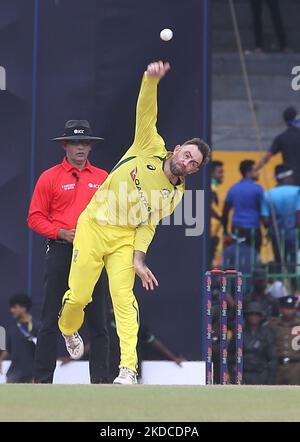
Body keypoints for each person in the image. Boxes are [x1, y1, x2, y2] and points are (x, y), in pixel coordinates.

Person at [57, 61, 211, 384]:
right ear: (178, 149)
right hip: (94, 226)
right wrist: (150, 81)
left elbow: (148, 224)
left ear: (195, 170)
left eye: (194, 164)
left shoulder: (175, 195)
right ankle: (68, 330)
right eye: (187, 155)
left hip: (124, 240)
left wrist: (139, 258)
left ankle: (128, 369)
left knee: (125, 300)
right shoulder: (149, 147)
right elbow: (146, 112)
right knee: (79, 298)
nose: (187, 162)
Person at [27, 120, 110, 384]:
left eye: (85, 142)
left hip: (93, 254)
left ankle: (100, 383)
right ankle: (42, 381)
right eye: (76, 142)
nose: (81, 148)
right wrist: (60, 232)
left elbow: (112, 215)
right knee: (49, 317)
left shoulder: (102, 178)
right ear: (65, 145)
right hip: (62, 250)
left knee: (98, 320)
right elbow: (34, 217)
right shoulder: (49, 177)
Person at [261, 164, 300, 269]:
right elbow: (298, 214)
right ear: (285, 177)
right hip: (293, 234)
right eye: (291, 176)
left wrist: (272, 228)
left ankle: (279, 283)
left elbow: (265, 220)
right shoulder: (297, 191)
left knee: (278, 261)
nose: (292, 179)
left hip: (277, 234)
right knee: (293, 261)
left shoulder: (267, 194)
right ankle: (293, 284)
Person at [222, 160, 263, 252]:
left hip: (237, 229)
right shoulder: (258, 189)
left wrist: (225, 230)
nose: (258, 173)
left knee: (238, 256)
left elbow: (225, 211)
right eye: (255, 170)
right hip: (253, 228)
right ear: (248, 173)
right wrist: (267, 227)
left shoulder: (233, 189)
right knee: (254, 256)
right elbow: (263, 211)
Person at [255, 107, 300, 185]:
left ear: (285, 121)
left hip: (290, 179)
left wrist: (255, 169)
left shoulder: (281, 138)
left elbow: (267, 157)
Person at [0, 294, 39, 383]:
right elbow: (7, 348)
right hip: (14, 373)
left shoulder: (37, 326)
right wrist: (1, 359)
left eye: (14, 307)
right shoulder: (11, 327)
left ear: (23, 308)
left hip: (32, 373)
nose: (11, 310)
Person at [237, 302, 277, 385]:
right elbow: (230, 354)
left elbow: (272, 358)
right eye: (251, 314)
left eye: (256, 314)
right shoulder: (239, 333)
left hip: (261, 374)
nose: (253, 317)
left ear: (261, 316)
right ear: (246, 316)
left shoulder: (267, 334)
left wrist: (270, 380)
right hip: (243, 373)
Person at [268, 295, 300, 385]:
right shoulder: (273, 325)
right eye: (286, 308)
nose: (288, 311)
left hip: (296, 367)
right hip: (277, 366)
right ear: (281, 309)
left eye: (291, 308)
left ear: (295, 309)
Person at [210, 160, 224, 266]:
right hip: (212, 231)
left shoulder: (214, 188)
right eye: (219, 172)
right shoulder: (211, 188)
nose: (222, 175)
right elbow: (211, 207)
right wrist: (222, 218)